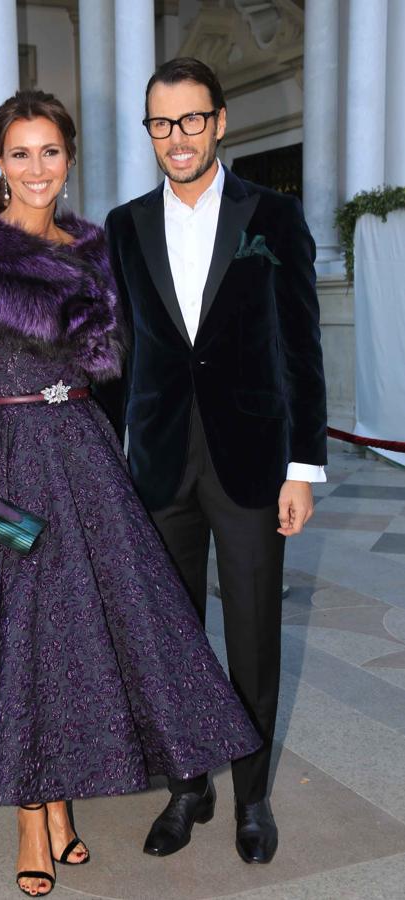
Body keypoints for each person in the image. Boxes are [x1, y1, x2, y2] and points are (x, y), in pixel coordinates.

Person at [0, 89, 260, 898]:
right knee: (15, 641)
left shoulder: (94, 248)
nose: (36, 168)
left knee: (73, 646)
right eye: (19, 153)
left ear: (69, 158)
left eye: (50, 151)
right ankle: (32, 814)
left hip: (83, 456)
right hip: (1, 450)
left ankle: (57, 800)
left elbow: (134, 362)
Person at [104, 58, 328, 865]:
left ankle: (252, 796)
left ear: (220, 121)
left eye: (191, 120)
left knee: (253, 638)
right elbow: (118, 355)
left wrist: (302, 468)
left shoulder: (272, 215)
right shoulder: (123, 225)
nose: (176, 138)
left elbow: (300, 350)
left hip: (250, 464)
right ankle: (185, 787)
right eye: (161, 124)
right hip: (159, 467)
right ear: (149, 131)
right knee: (168, 640)